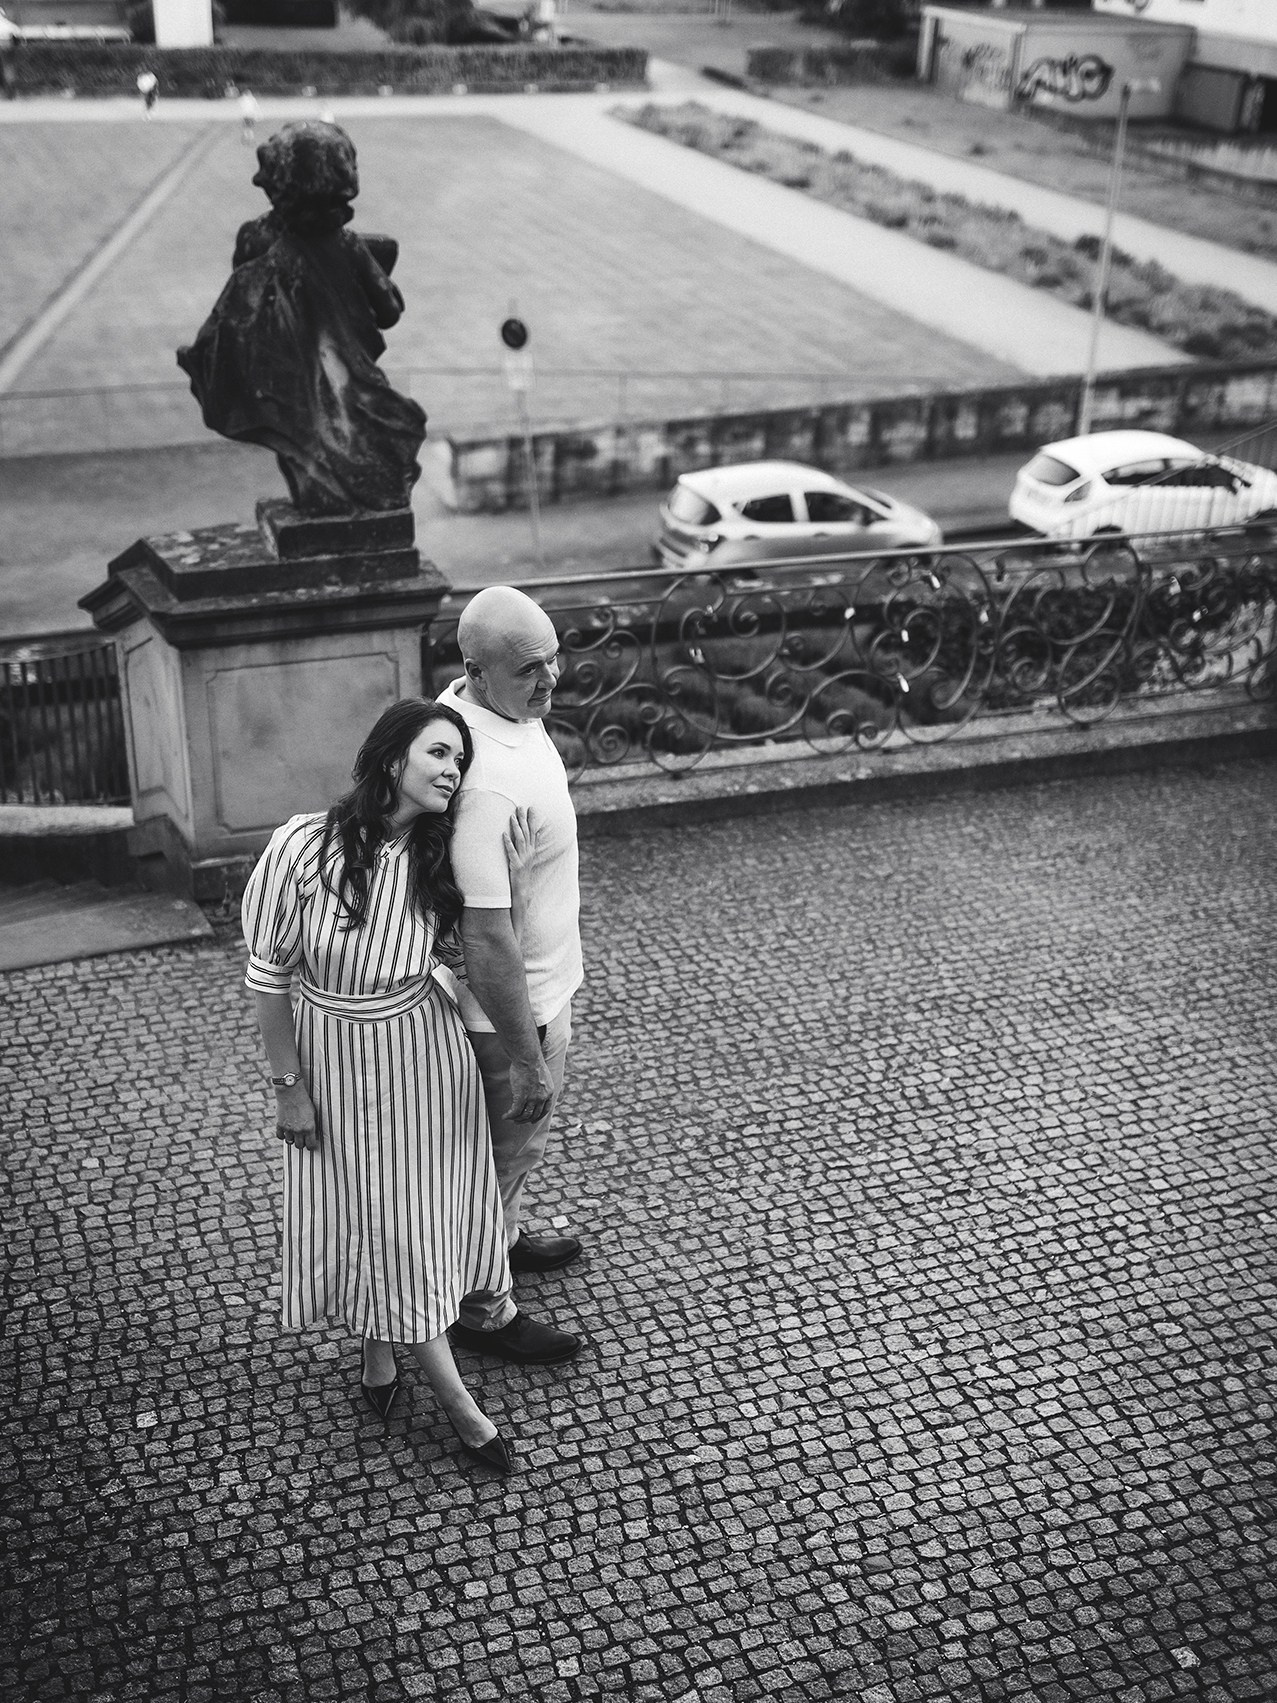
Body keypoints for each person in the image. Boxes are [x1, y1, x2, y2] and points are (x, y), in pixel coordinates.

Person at [241, 699, 531, 1474]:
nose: (452, 770)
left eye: (460, 761)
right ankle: (462, 1406)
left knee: (413, 1216)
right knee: (384, 1215)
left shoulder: (438, 854)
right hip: (335, 1055)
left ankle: (380, 1348)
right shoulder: (300, 846)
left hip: (425, 1053)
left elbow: (482, 947)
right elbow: (268, 980)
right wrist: (288, 1088)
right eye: (439, 752)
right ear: (392, 754)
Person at [436, 586, 585, 1367]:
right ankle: (480, 1305)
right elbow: (485, 934)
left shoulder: (496, 710)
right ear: (476, 669)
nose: (551, 678)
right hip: (510, 1013)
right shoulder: (482, 776)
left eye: (554, 657)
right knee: (499, 1153)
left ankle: (507, 1235)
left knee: (513, 1151)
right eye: (531, 667)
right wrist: (527, 1054)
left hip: (539, 989)